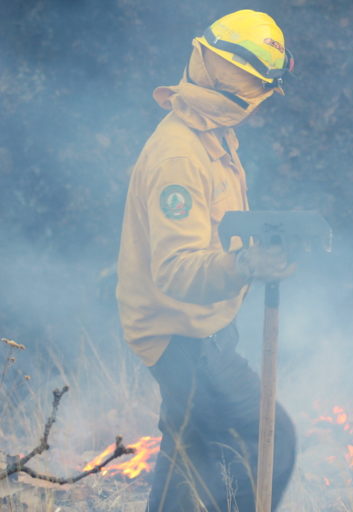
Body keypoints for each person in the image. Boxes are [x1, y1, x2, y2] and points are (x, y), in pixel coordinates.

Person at [116, 10, 297, 511]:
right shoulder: (180, 155)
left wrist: (262, 249)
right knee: (268, 443)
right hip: (182, 339)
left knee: (191, 462)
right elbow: (175, 269)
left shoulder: (209, 135)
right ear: (248, 87)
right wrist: (246, 267)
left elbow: (215, 231)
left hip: (206, 332)